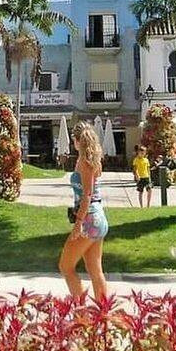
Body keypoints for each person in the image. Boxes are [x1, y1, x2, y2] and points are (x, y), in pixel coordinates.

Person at [59, 122, 109, 299]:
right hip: (98, 218)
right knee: (95, 269)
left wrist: (78, 223)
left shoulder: (85, 163)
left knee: (66, 266)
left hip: (89, 219)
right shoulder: (91, 161)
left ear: (77, 140)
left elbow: (87, 195)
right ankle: (103, 311)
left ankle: (81, 309)